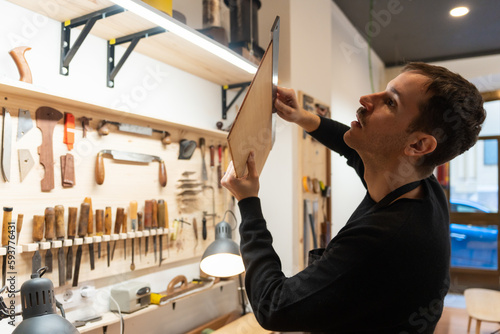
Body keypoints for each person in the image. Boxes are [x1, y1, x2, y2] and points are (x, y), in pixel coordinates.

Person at [221, 62, 486, 333]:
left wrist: (248, 204)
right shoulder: (418, 182)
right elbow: (356, 150)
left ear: (418, 145)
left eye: (391, 102)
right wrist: (303, 117)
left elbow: (272, 307)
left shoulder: (385, 239)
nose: (366, 99)